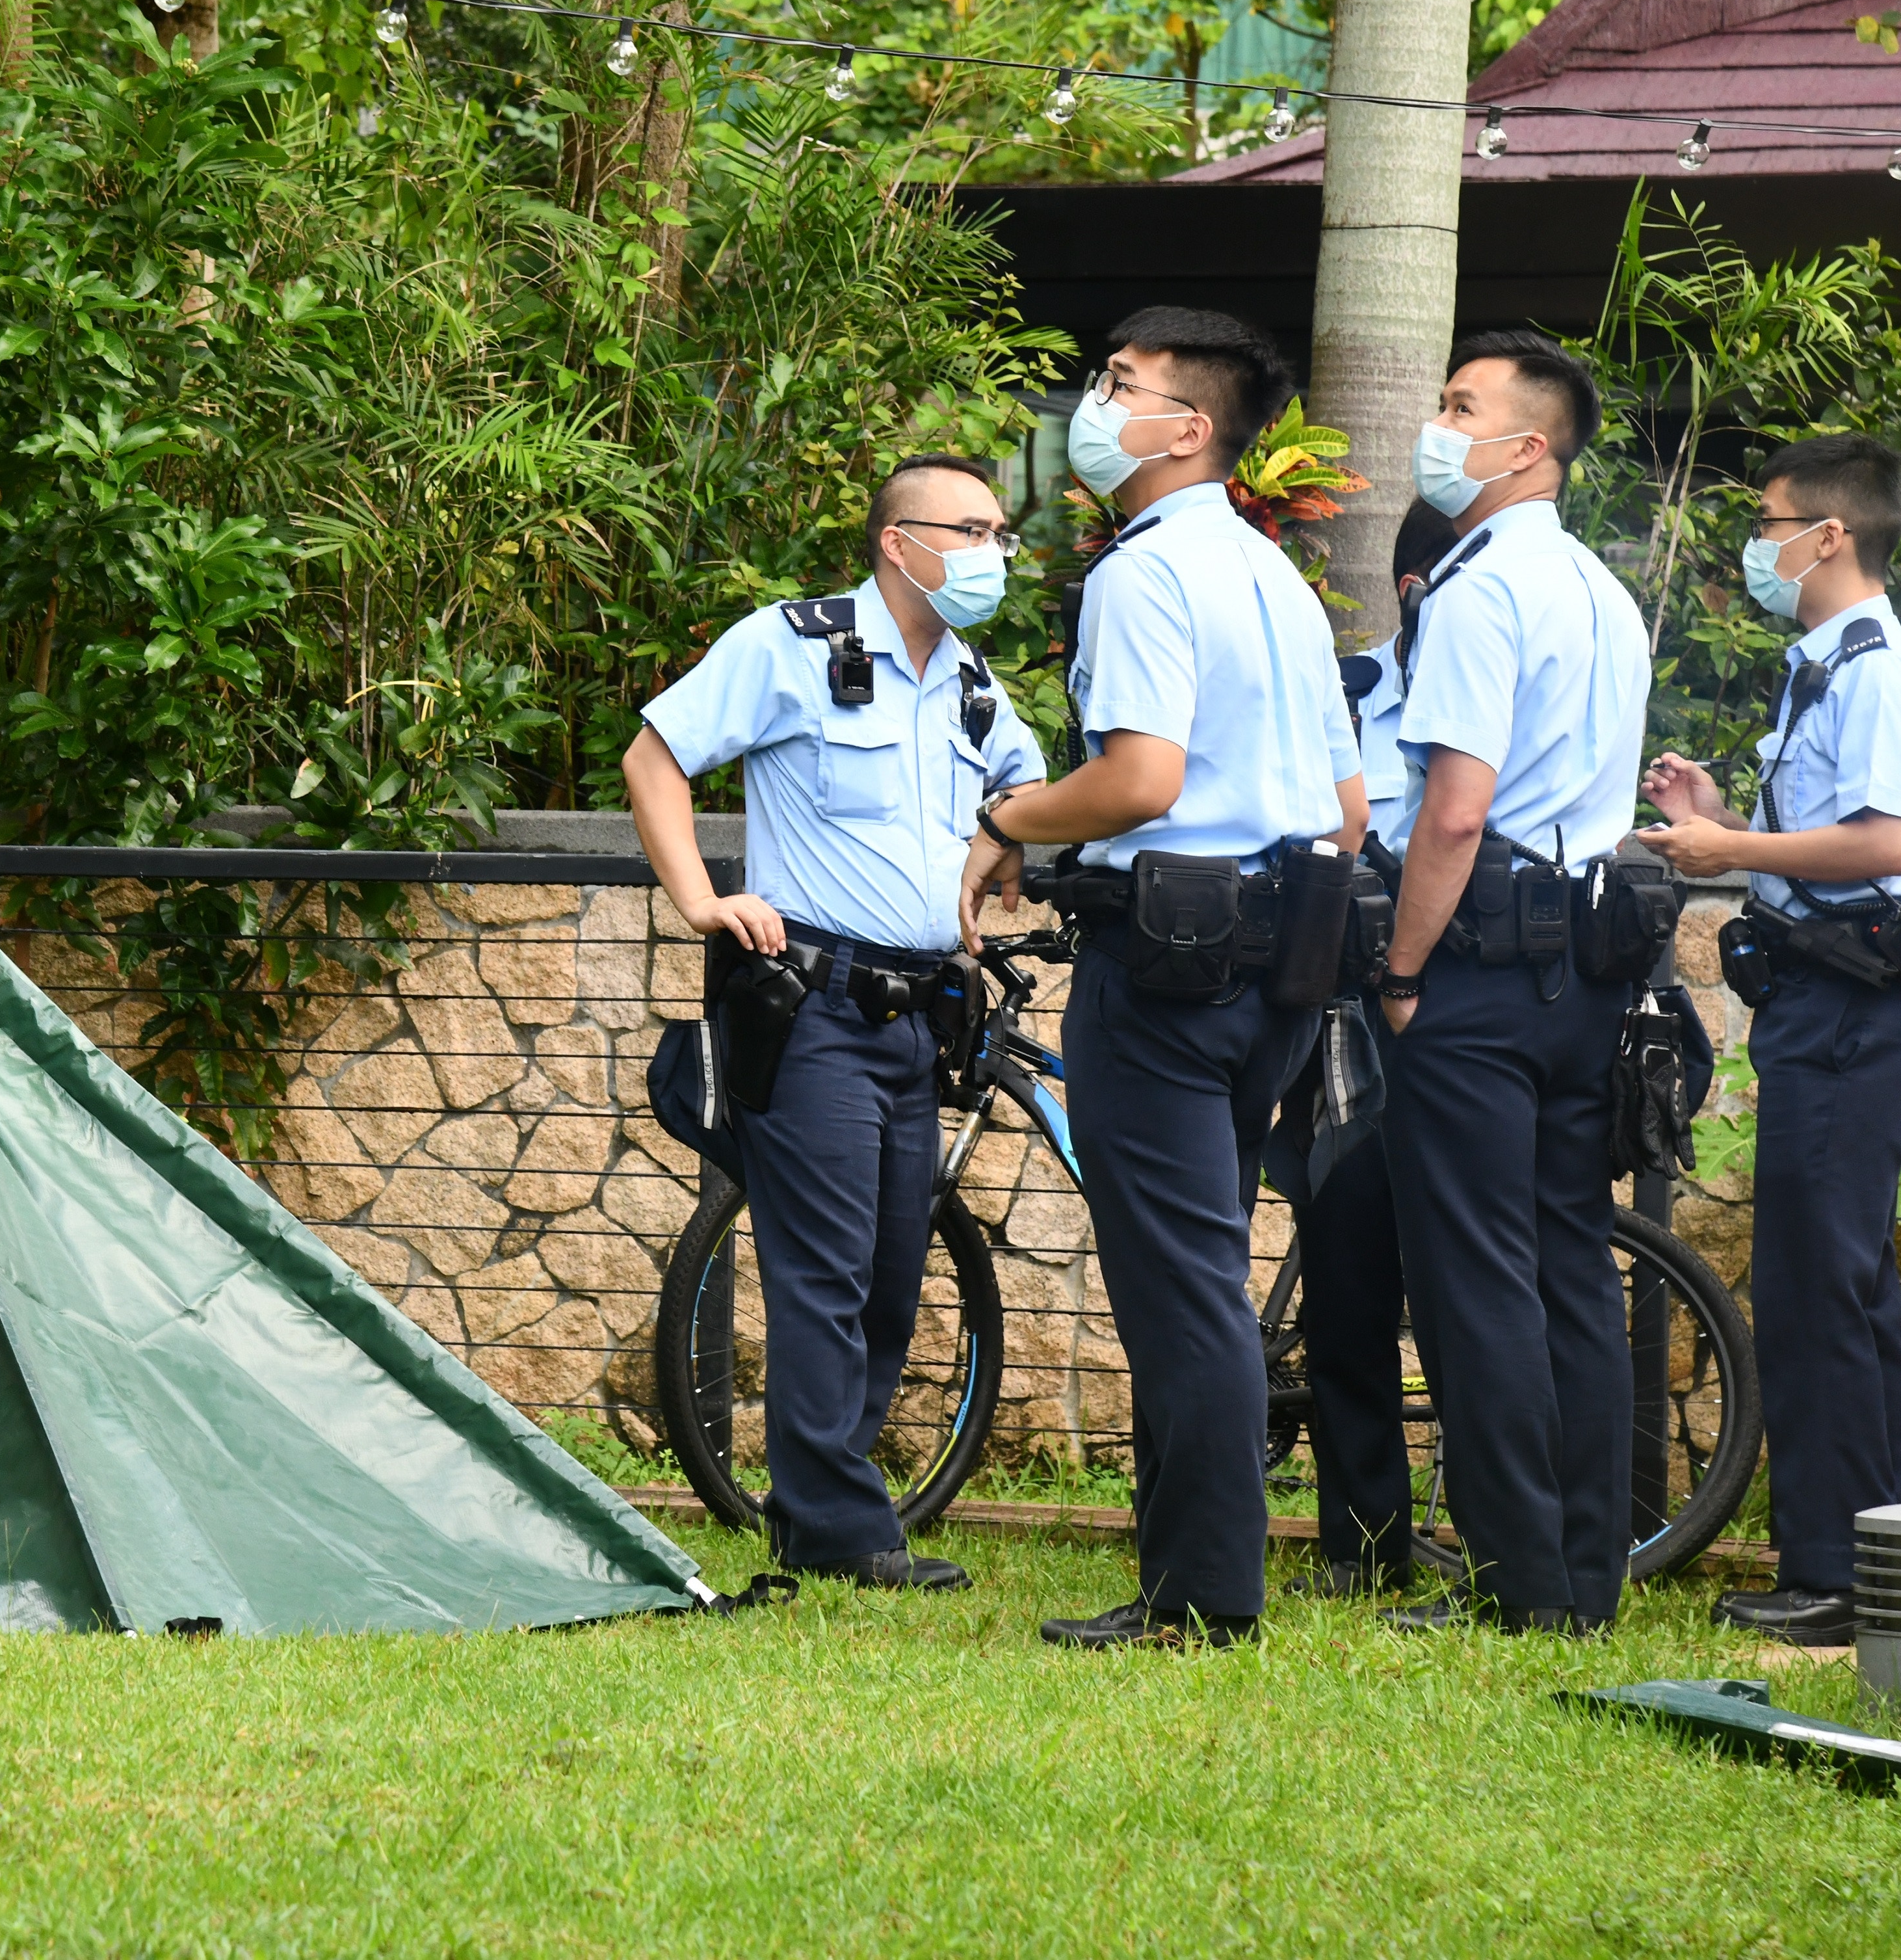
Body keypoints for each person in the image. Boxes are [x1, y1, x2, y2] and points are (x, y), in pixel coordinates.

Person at [956, 308, 1366, 1649]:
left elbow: (1141, 779)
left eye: (1118, 382)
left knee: (1181, 1280)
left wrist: (1012, 818)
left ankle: (1201, 1595)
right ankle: (1199, 1570)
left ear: (1189, 428)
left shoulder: (1145, 573)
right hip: (1283, 960)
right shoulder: (1278, 579)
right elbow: (1350, 809)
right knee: (1209, 1264)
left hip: (1170, 965)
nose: (1093, 399)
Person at [624, 453, 1046, 1589]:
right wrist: (700, 900)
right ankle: (838, 1527)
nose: (991, 554)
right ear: (898, 543)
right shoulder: (793, 644)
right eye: (969, 530)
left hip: (918, 1015)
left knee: (891, 1271)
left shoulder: (968, 681)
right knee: (821, 1269)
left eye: (1000, 533)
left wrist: (993, 857)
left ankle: (826, 1496)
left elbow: (1023, 787)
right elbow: (654, 758)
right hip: (808, 1005)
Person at [1637, 434, 1901, 1648]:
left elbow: (1887, 844)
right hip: (1831, 1001)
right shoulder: (1827, 666)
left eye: (1769, 521)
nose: (1755, 544)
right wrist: (1721, 819)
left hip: (1854, 1008)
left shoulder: (1874, 670)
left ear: (1829, 535)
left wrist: (1732, 857)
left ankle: (1834, 1575)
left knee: (1817, 1290)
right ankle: (1869, 1556)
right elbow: (1834, 831)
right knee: (1839, 1286)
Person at [1369, 329, 1651, 1636]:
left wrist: (1404, 968)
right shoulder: (1601, 586)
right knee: (1569, 1270)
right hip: (1585, 965)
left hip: (1480, 965)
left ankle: (1517, 1587)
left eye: (1460, 406)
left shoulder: (1482, 588)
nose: (1439, 423)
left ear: (1528, 446)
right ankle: (1584, 1577)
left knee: (1476, 1280)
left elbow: (1453, 813)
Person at [1285, 495, 1462, 1596]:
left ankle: (1505, 1544)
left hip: (1466, 1023)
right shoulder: (1340, 693)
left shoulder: (1507, 690)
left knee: (1466, 1285)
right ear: (1415, 594)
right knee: (1344, 1286)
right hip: (1348, 1027)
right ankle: (1361, 1548)